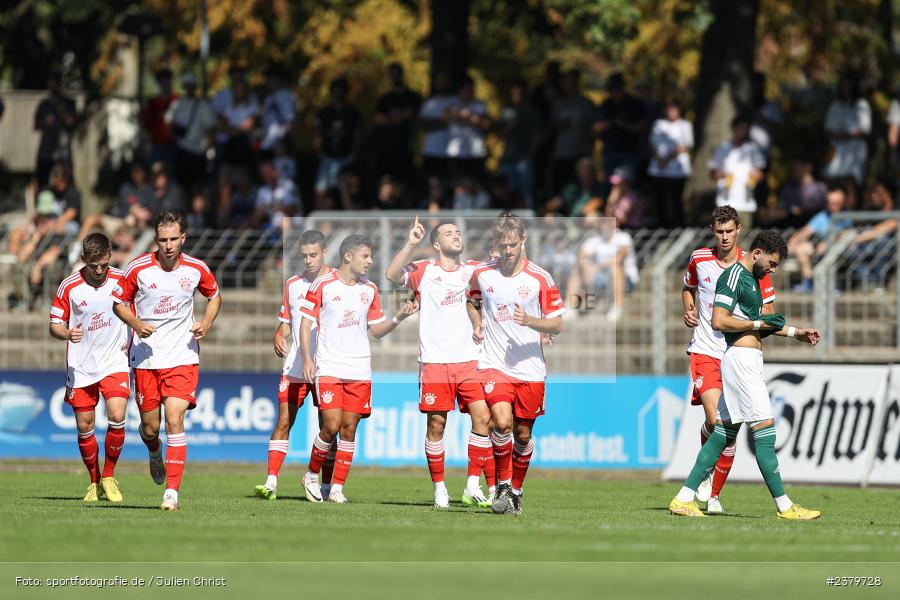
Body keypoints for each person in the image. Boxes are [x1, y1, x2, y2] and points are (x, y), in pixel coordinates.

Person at [669, 230, 822, 520]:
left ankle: (684, 497)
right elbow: (719, 320)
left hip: (748, 359)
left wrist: (795, 333)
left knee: (723, 432)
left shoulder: (753, 278)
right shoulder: (734, 277)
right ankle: (784, 505)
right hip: (740, 361)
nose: (773, 269)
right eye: (772, 263)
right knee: (765, 431)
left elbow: (762, 323)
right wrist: (756, 322)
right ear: (757, 254)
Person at [112, 210, 222, 511]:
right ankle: (153, 451)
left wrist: (207, 322)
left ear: (183, 238)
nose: (169, 245)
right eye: (163, 240)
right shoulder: (138, 269)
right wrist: (136, 324)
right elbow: (118, 304)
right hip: (146, 359)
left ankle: (172, 493)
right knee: (150, 428)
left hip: (183, 356)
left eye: (174, 239)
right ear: (155, 240)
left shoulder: (196, 269)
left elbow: (214, 296)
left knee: (175, 419)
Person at [386, 218, 496, 508]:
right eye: (449, 233)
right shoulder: (424, 270)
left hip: (470, 359)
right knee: (436, 426)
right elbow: (392, 273)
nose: (456, 235)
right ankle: (440, 489)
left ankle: (473, 484)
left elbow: (498, 278)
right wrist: (411, 242)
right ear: (436, 244)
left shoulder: (472, 270)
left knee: (484, 418)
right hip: (435, 363)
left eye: (458, 232)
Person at [299, 235, 417, 504]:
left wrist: (399, 317)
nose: (370, 261)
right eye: (365, 256)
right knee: (330, 426)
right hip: (329, 366)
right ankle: (310, 475)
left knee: (349, 429)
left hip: (359, 369)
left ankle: (338, 488)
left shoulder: (370, 289)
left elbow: (376, 330)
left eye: (371, 256)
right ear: (348, 257)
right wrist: (307, 359)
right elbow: (305, 324)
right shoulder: (323, 284)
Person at [468, 214, 566, 515]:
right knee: (500, 423)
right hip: (494, 363)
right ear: (495, 244)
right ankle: (503, 486)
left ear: (523, 241)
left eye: (513, 244)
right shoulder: (483, 273)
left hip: (530, 367)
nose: (509, 250)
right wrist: (477, 323)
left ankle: (516, 490)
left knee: (523, 435)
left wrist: (532, 322)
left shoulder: (540, 278)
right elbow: (471, 300)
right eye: (503, 244)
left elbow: (558, 323)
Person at [681, 206, 775, 513]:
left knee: (727, 430)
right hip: (705, 350)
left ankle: (713, 495)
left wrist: (761, 322)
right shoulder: (699, 258)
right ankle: (704, 481)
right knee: (715, 420)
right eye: (719, 232)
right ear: (712, 230)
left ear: (739, 231)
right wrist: (690, 308)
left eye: (729, 231)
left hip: (737, 355)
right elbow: (688, 286)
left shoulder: (753, 265)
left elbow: (769, 312)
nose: (724, 237)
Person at [254, 230, 337, 500]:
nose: (309, 260)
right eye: (304, 256)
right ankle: (271, 482)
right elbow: (286, 323)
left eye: (313, 255)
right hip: (296, 367)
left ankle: (324, 487)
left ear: (325, 252)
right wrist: (278, 335)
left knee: (330, 427)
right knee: (283, 421)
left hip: (328, 367)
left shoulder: (338, 282)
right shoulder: (292, 284)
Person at [49, 232, 130, 503]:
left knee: (117, 415)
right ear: (83, 258)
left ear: (110, 257)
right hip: (81, 365)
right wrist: (66, 333)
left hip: (115, 361)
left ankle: (108, 475)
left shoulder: (122, 280)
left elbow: (138, 309)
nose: (99, 270)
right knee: (85, 426)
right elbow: (54, 325)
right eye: (93, 265)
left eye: (104, 264)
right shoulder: (69, 286)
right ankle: (93, 482)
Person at [786, 184, 848, 293]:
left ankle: (832, 284)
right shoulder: (822, 216)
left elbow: (845, 235)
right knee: (801, 249)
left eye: (837, 203)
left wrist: (828, 243)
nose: (833, 206)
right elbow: (806, 231)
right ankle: (809, 283)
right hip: (819, 248)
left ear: (843, 203)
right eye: (830, 203)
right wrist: (794, 241)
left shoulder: (847, 217)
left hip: (841, 250)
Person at [708, 114, 766, 228]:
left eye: (745, 129)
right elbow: (712, 174)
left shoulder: (752, 149)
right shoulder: (722, 148)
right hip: (725, 202)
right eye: (740, 128)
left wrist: (756, 175)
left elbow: (761, 174)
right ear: (733, 129)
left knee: (744, 240)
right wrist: (721, 174)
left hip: (746, 202)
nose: (742, 131)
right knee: (726, 238)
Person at [314, 78, 361, 210]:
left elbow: (357, 136)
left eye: (341, 91)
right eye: (335, 91)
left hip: (346, 158)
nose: (338, 94)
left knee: (346, 191)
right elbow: (317, 135)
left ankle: (349, 222)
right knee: (321, 190)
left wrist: (352, 154)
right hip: (327, 159)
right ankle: (319, 223)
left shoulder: (352, 114)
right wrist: (321, 153)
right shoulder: (324, 113)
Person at [824, 75, 870, 208]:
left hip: (854, 151)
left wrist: (846, 135)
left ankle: (851, 214)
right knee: (832, 181)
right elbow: (828, 129)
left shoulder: (861, 105)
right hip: (837, 150)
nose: (845, 88)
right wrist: (840, 135)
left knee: (851, 183)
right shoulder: (835, 105)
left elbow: (864, 130)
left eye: (847, 85)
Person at [165, 72, 217, 191]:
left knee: (197, 187)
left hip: (198, 152)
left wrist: (207, 149)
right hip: (181, 150)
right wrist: (175, 135)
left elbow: (212, 128)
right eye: (187, 85)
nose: (189, 88)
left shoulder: (203, 105)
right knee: (182, 185)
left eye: (191, 85)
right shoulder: (177, 104)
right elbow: (168, 121)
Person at [374, 63, 422, 187]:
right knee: (385, 181)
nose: (394, 77)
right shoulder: (384, 99)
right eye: (392, 74)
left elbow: (411, 114)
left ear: (402, 74)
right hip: (386, 146)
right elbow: (378, 118)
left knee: (405, 181)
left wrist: (390, 119)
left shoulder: (412, 97)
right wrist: (400, 117)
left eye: (397, 74)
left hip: (406, 146)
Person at [647, 97, 692, 228]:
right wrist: (659, 159)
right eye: (669, 108)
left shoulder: (685, 125)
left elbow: (686, 145)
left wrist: (667, 158)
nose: (671, 111)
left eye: (674, 108)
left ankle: (678, 227)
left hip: (677, 170)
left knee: (676, 200)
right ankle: (662, 227)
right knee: (660, 201)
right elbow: (652, 143)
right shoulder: (658, 124)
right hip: (658, 169)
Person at [498, 79, 542, 209]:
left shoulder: (532, 112)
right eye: (514, 94)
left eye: (520, 93)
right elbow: (499, 135)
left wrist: (531, 154)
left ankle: (529, 221)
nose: (517, 97)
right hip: (508, 157)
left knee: (526, 193)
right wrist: (509, 127)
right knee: (506, 193)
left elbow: (538, 135)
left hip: (524, 158)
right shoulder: (506, 112)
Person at [594, 72, 647, 179]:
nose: (616, 92)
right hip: (609, 151)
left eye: (618, 88)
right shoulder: (606, 105)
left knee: (627, 184)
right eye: (613, 89)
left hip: (629, 152)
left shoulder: (635, 104)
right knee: (609, 184)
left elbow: (642, 128)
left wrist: (623, 125)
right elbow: (595, 127)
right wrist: (609, 124)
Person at [549, 70, 595, 193]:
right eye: (565, 82)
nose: (568, 85)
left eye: (571, 82)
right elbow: (550, 128)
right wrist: (559, 125)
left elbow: (593, 128)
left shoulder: (586, 104)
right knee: (562, 187)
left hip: (580, 152)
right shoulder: (558, 104)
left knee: (581, 187)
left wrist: (590, 148)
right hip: (562, 152)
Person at [33, 71, 76, 187]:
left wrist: (57, 105)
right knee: (43, 182)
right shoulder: (43, 104)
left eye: (53, 83)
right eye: (49, 83)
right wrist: (45, 121)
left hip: (62, 151)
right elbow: (35, 126)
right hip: (46, 151)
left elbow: (71, 121)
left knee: (65, 180)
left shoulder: (68, 103)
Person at [142, 69, 178, 170]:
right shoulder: (153, 103)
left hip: (174, 145)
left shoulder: (177, 101)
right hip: (158, 145)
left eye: (168, 81)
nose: (166, 84)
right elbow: (146, 126)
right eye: (164, 81)